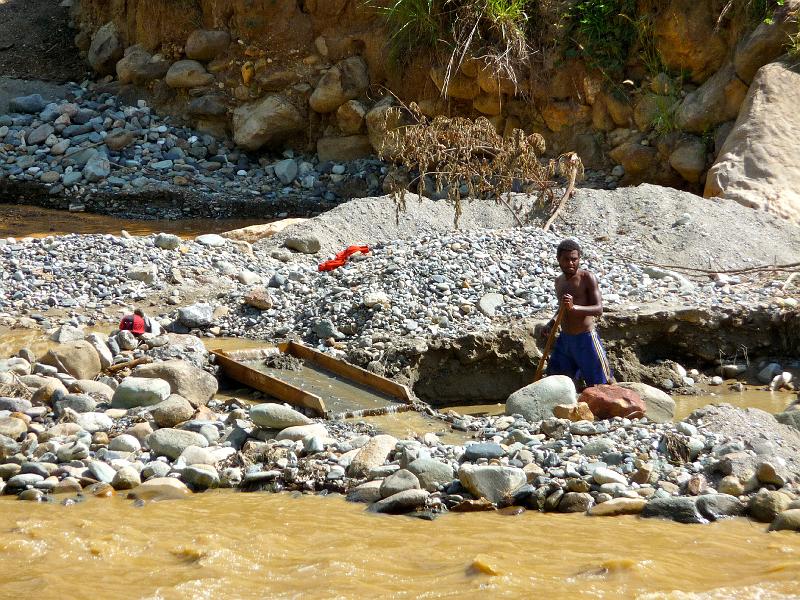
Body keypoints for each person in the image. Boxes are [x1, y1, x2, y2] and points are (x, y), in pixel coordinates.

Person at [541, 239, 614, 386]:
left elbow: (598, 309)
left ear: (579, 259)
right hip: (565, 340)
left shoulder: (587, 278)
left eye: (574, 259)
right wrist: (551, 323)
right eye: (566, 259)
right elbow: (562, 308)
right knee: (556, 383)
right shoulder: (559, 281)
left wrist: (575, 308)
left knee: (601, 384)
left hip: (586, 339)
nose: (570, 263)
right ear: (558, 259)